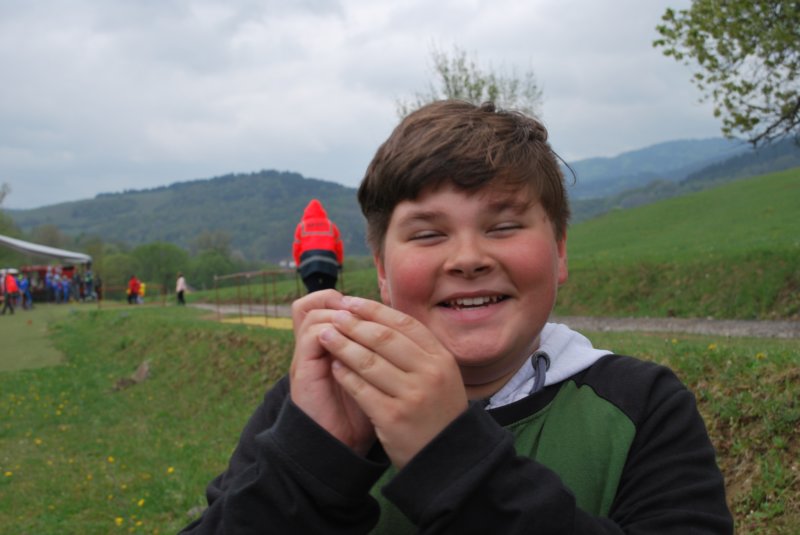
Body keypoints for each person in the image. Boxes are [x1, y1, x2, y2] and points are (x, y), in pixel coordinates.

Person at [181, 101, 733, 533]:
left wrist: (449, 455)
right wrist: (312, 460)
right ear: (382, 271)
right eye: (427, 234)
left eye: (504, 226)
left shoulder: (643, 408)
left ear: (560, 252)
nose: (468, 258)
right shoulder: (313, 402)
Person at [292, 198, 344, 293]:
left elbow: (296, 249)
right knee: (329, 291)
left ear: (306, 212)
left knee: (314, 292)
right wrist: (340, 263)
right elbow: (339, 247)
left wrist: (298, 265)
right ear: (322, 211)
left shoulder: (301, 226)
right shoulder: (330, 225)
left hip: (308, 262)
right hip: (329, 262)